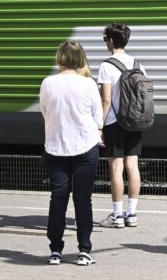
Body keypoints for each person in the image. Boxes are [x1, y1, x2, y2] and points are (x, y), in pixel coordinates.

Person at [40, 40, 102, 266]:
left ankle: (55, 251)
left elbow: (45, 112)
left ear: (60, 58)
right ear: (80, 59)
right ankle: (84, 250)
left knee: (58, 198)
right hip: (85, 146)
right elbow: (98, 118)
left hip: (56, 147)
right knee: (83, 199)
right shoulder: (88, 84)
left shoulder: (48, 83)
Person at [97, 22, 146, 229]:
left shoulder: (106, 66)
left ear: (110, 40)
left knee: (116, 168)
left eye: (105, 39)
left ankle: (117, 216)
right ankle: (131, 214)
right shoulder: (138, 65)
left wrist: (99, 125)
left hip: (114, 123)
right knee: (133, 166)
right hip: (135, 122)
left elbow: (106, 100)